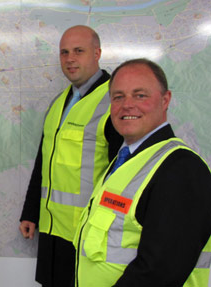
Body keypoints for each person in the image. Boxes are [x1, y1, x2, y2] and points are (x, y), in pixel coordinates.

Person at [74, 58, 211, 286]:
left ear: (165, 100)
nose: (127, 105)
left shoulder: (181, 170)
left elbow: (158, 274)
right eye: (118, 97)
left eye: (140, 95)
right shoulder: (127, 159)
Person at [19, 25, 123, 286]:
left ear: (97, 53)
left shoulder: (114, 102)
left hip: (87, 235)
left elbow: (121, 174)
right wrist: (30, 212)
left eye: (79, 51)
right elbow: (44, 162)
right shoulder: (59, 102)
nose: (70, 59)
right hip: (52, 232)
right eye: (64, 52)